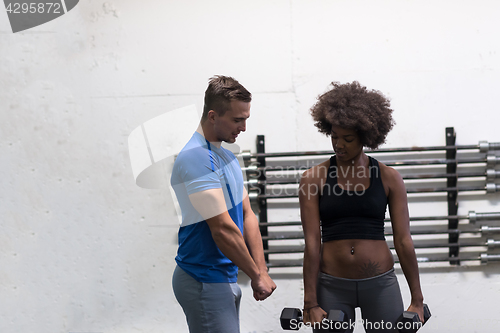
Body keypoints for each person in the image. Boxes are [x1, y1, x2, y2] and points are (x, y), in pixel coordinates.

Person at [299, 81, 425, 333]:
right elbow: (312, 243)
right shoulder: (312, 178)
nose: (338, 144)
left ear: (366, 137)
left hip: (379, 284)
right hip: (331, 285)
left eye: (348, 138)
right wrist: (310, 302)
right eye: (334, 136)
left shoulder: (390, 177)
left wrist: (417, 300)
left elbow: (403, 241)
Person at [170, 75, 276, 333]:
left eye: (246, 119)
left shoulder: (227, 157)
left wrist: (261, 269)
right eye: (237, 120)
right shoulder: (196, 157)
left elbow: (248, 215)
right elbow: (223, 229)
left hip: (222, 276)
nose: (243, 128)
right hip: (203, 277)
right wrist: (256, 275)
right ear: (213, 116)